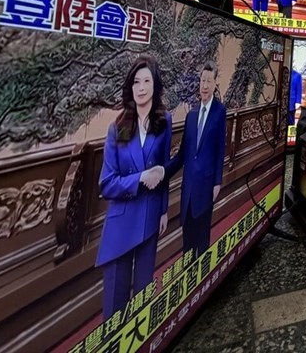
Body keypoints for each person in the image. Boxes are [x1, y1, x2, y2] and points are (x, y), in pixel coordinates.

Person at [96, 55, 171, 320]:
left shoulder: (164, 122)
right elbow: (106, 184)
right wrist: (139, 178)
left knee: (142, 301)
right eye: (136, 82)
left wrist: (163, 210)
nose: (141, 87)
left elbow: (163, 167)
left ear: (155, 85)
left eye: (147, 81)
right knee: (115, 310)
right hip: (121, 225)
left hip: (150, 217)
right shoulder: (117, 128)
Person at [165, 62, 226, 259]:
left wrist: (218, 180)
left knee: (201, 240)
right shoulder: (191, 115)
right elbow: (183, 153)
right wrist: (163, 172)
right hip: (188, 186)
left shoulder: (219, 111)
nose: (204, 85)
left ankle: (201, 279)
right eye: (202, 80)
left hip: (207, 184)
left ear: (215, 84)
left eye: (209, 81)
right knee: (187, 243)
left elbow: (220, 148)